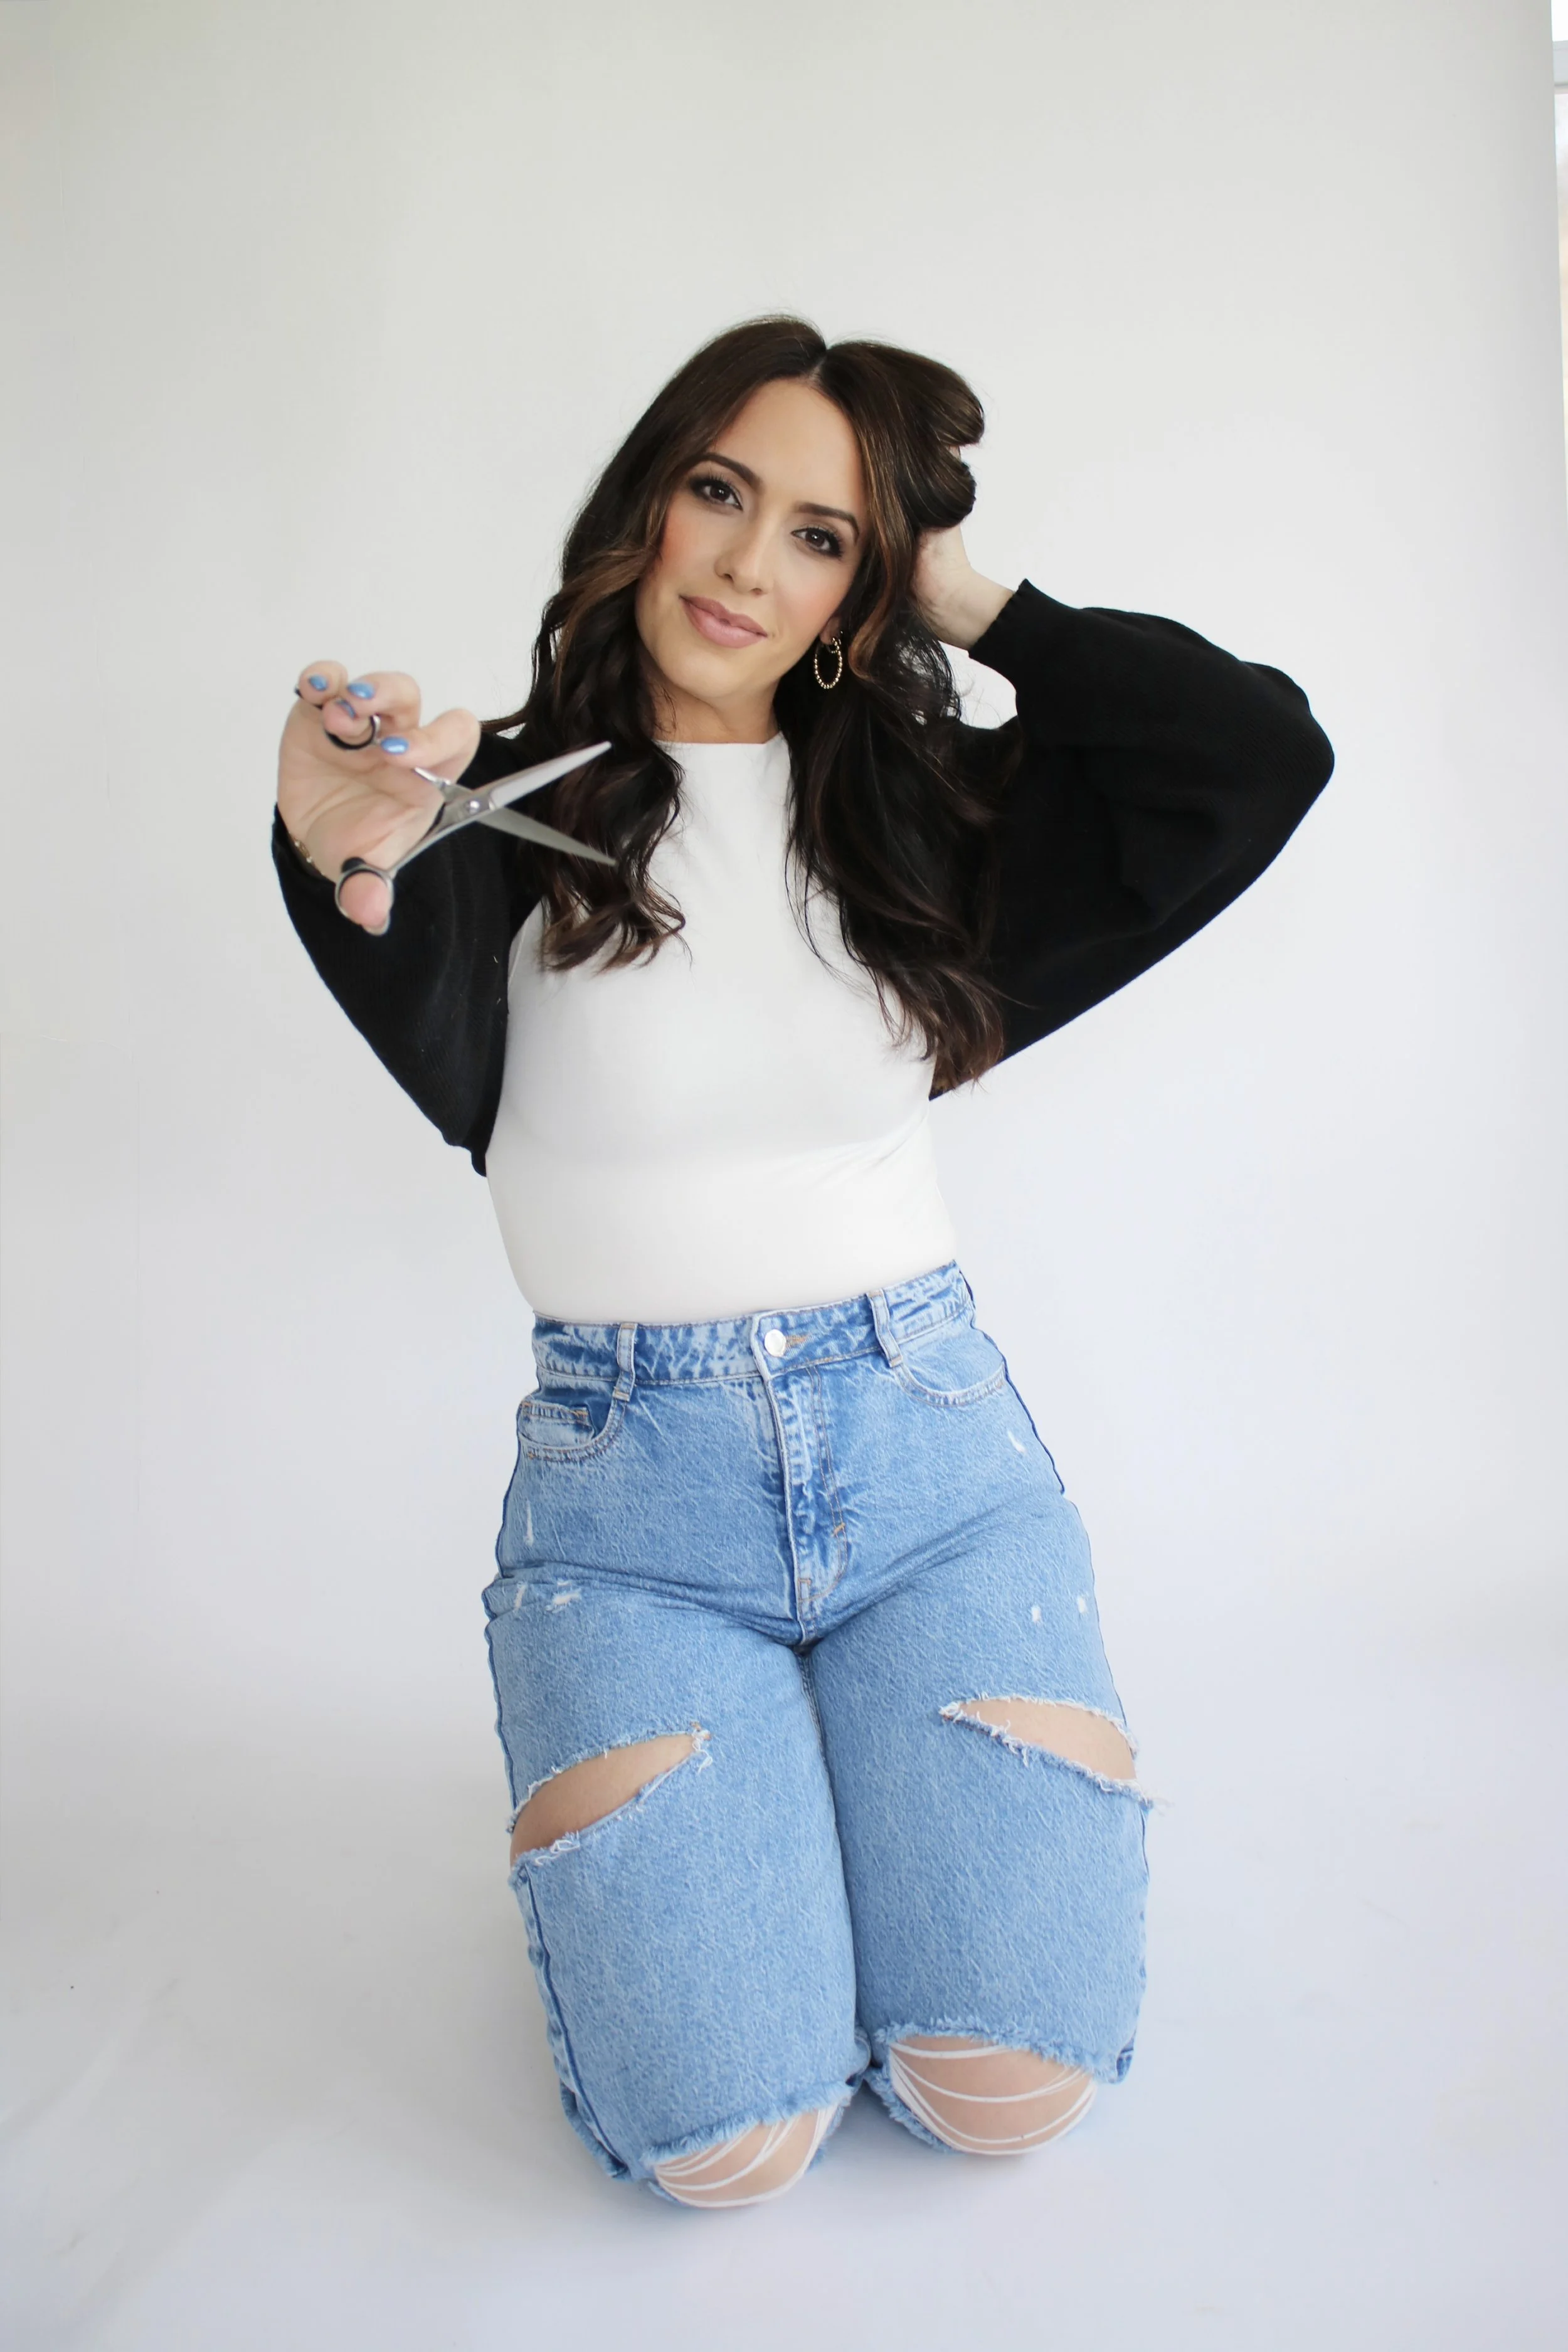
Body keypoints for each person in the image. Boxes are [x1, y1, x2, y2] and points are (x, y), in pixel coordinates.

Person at [273, 316, 1332, 2209]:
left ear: (867, 583)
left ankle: (846, 1778)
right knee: (724, 2141)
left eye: (820, 534)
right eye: (718, 493)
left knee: (1004, 2085)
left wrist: (953, 578)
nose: (750, 563)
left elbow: (1254, 752)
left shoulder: (911, 809)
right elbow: (384, 918)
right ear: (644, 506)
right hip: (628, 1513)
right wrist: (328, 834)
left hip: (930, 1466)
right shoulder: (500, 808)